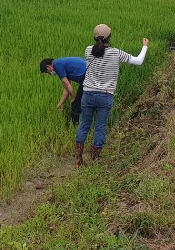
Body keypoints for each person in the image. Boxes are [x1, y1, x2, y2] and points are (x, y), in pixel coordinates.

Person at [75, 24, 148, 166]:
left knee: (84, 125)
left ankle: (78, 159)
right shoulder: (116, 53)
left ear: (94, 37)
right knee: (100, 127)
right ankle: (95, 161)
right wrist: (145, 46)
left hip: (87, 94)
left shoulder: (88, 50)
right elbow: (138, 61)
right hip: (105, 95)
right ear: (109, 37)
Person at [40, 57, 87, 125]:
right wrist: (61, 103)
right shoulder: (60, 63)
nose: (50, 74)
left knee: (76, 103)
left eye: (47, 72)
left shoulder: (57, 66)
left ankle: (75, 125)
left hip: (87, 77)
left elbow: (67, 84)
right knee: (83, 101)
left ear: (48, 67)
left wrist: (73, 97)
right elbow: (67, 87)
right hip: (89, 75)